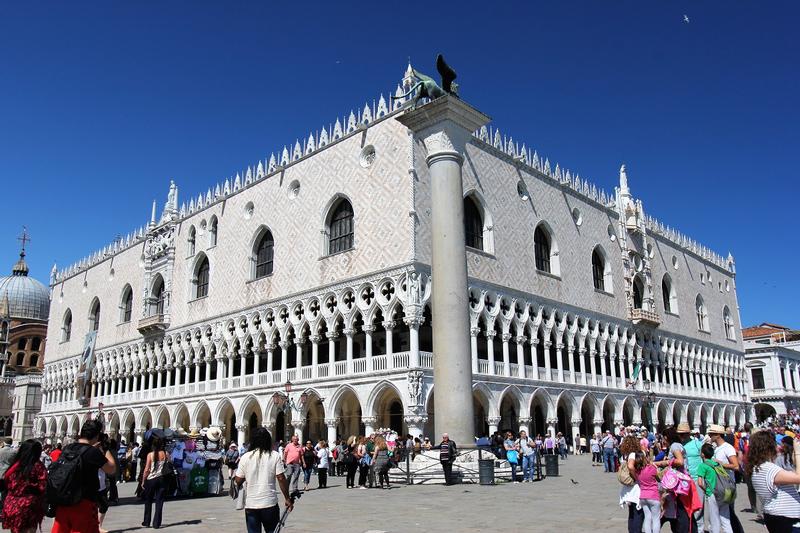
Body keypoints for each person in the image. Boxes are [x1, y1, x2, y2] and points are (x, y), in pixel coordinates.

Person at [51, 419, 117, 533]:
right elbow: (111, 469)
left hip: (63, 502)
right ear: (97, 436)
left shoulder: (68, 448)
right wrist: (105, 449)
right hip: (83, 504)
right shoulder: (93, 452)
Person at [234, 427, 293, 533]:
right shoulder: (274, 455)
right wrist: (287, 498)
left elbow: (238, 480)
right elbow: (281, 478)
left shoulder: (245, 457)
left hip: (251, 504)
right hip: (269, 503)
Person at [746, 430, 800, 533]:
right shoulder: (770, 469)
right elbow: (798, 478)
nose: (778, 446)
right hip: (784, 516)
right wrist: (797, 452)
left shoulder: (758, 467)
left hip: (774, 514)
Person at [2, 439, 47, 533]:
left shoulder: (15, 465)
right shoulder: (37, 466)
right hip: (29, 507)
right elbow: (43, 486)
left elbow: (7, 481)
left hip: (12, 505)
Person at [708, 424, 740, 533]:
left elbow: (736, 466)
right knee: (723, 514)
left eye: (711, 434)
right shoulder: (716, 448)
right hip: (718, 485)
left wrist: (720, 464)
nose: (709, 435)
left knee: (727, 514)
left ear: (717, 435)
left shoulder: (727, 448)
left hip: (727, 485)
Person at [140, 436, 169, 530]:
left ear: (153, 445)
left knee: (148, 500)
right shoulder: (166, 453)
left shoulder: (150, 455)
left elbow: (146, 469)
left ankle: (147, 521)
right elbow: (169, 463)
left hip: (151, 479)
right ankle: (156, 523)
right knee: (159, 501)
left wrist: (143, 480)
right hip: (162, 479)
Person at [619, 436, 644, 533]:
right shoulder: (633, 454)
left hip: (628, 488)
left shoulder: (626, 455)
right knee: (638, 513)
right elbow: (630, 466)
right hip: (635, 488)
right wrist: (637, 477)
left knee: (632, 514)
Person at [696, 443, 722, 533]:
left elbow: (699, 483)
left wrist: (706, 490)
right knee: (719, 515)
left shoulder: (702, 466)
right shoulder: (716, 463)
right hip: (720, 491)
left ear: (702, 454)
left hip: (711, 492)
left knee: (713, 516)